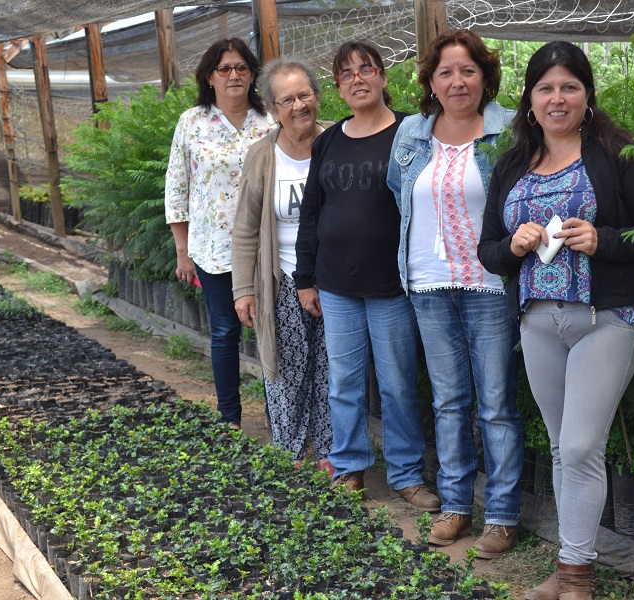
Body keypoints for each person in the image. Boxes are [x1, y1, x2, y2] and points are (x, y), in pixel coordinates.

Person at [478, 41, 634, 599]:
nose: (557, 98)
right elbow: (489, 251)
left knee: (582, 446)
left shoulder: (621, 155)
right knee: (562, 448)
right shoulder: (513, 163)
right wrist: (513, 245)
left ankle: (578, 578)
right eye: (545, 88)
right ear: (529, 100)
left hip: (605, 319)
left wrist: (602, 239)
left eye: (569, 87)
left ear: (587, 95)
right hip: (538, 321)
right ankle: (568, 566)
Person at [386, 30, 523, 558]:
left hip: (490, 282)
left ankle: (504, 516)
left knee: (496, 404)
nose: (457, 81)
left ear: (485, 78)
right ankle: (456, 507)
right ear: (431, 82)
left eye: (467, 70)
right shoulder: (412, 134)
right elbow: (401, 194)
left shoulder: (509, 129)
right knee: (448, 401)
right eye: (445, 72)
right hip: (427, 282)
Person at [293, 40, 439, 512]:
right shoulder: (328, 141)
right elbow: (311, 213)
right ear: (338, 86)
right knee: (345, 382)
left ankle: (405, 474)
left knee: (397, 383)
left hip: (391, 284)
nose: (357, 79)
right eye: (346, 73)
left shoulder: (410, 134)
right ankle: (350, 466)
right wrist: (305, 277)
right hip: (335, 285)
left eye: (366, 69)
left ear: (383, 78)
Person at [164, 38, 274, 429]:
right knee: (226, 331)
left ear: (252, 74)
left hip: (267, 248)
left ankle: (282, 420)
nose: (233, 75)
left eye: (241, 68)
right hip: (212, 248)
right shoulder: (192, 122)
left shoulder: (270, 123)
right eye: (224, 69)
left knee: (270, 331)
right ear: (210, 76)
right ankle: (230, 417)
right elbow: (177, 185)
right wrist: (182, 249)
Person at [231, 57, 333, 473]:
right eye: (286, 99)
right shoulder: (262, 156)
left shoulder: (338, 143)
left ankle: (330, 455)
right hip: (281, 278)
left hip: (334, 279)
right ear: (273, 109)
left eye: (304, 95)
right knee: (286, 371)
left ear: (317, 97)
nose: (298, 106)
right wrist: (244, 290)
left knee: (331, 371)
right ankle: (290, 453)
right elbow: (246, 229)